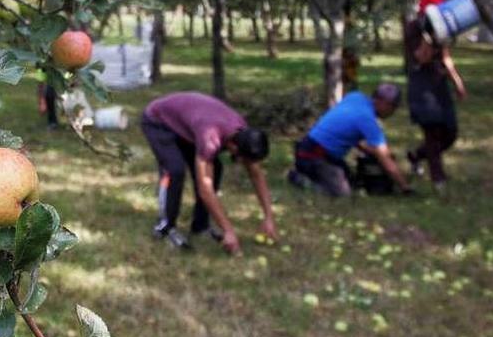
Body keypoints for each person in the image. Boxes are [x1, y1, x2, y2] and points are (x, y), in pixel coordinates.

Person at [140, 92, 278, 254]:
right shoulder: (210, 138)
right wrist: (228, 230)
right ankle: (165, 228)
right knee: (174, 170)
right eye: (244, 160)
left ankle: (200, 226)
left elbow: (257, 175)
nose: (246, 164)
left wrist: (269, 217)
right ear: (234, 148)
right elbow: (205, 188)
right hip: (158, 120)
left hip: (188, 122)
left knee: (216, 168)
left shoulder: (244, 133)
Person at [288, 83, 413, 197]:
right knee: (342, 193)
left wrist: (371, 151)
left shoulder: (356, 97)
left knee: (354, 183)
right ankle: (299, 179)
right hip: (314, 156)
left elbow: (347, 130)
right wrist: (405, 187)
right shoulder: (367, 120)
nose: (393, 112)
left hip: (309, 148)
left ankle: (312, 172)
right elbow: (387, 162)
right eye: (393, 107)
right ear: (383, 103)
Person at [404, 0, 467, 191]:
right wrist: (428, 35)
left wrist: (457, 81)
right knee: (432, 132)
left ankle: (416, 156)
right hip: (422, 87)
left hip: (439, 86)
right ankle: (439, 180)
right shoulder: (413, 29)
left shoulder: (442, 27)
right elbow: (421, 57)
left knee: (450, 132)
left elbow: (446, 56)